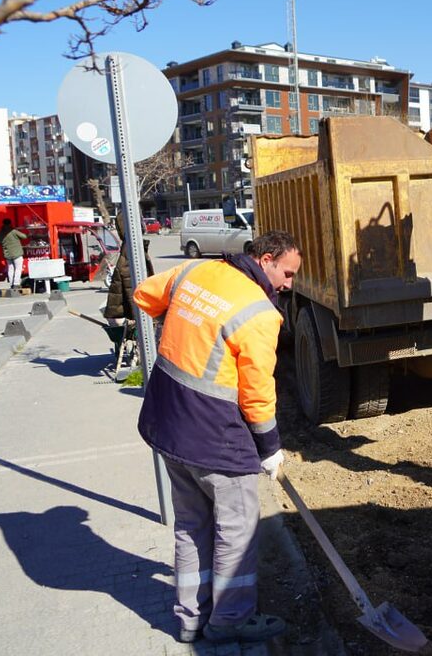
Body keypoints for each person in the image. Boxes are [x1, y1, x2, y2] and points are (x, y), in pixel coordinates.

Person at [133, 230, 301, 645]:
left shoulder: (197, 270)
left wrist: (183, 323)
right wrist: (270, 448)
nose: (290, 283)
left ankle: (191, 618)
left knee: (191, 525)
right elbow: (258, 393)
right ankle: (230, 620)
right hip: (217, 440)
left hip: (170, 426)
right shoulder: (260, 314)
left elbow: (143, 295)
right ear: (265, 260)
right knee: (238, 531)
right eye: (288, 272)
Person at [0, 220, 28, 289]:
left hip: (7, 254)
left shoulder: (1, 232)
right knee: (18, 268)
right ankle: (16, 283)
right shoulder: (13, 231)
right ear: (10, 224)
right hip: (17, 253)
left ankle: (11, 284)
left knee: (10, 269)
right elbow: (24, 236)